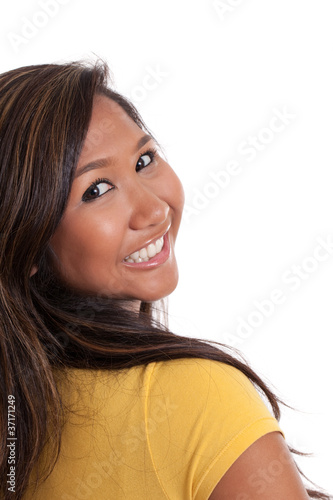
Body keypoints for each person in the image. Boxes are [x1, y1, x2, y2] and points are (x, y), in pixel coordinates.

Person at [0, 61, 330, 500]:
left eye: (144, 160)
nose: (154, 209)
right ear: (26, 239)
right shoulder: (198, 396)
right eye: (96, 190)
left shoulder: (17, 420)